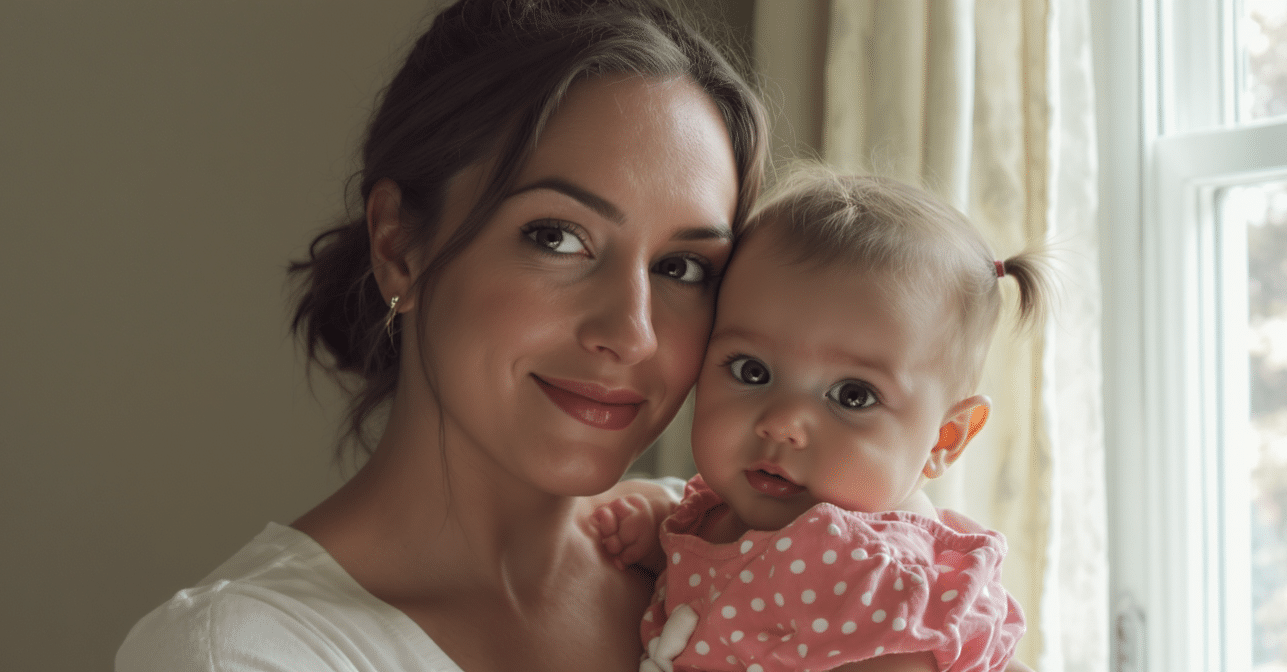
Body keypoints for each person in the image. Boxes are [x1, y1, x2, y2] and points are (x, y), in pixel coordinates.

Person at [114, 0, 767, 670]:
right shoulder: (242, 654)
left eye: (681, 267)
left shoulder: (734, 560)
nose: (632, 334)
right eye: (557, 237)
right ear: (399, 245)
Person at [589, 167, 1049, 672]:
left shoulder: (875, 580)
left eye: (853, 396)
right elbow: (726, 579)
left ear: (946, 438)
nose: (783, 423)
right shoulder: (724, 511)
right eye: (752, 370)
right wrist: (658, 541)